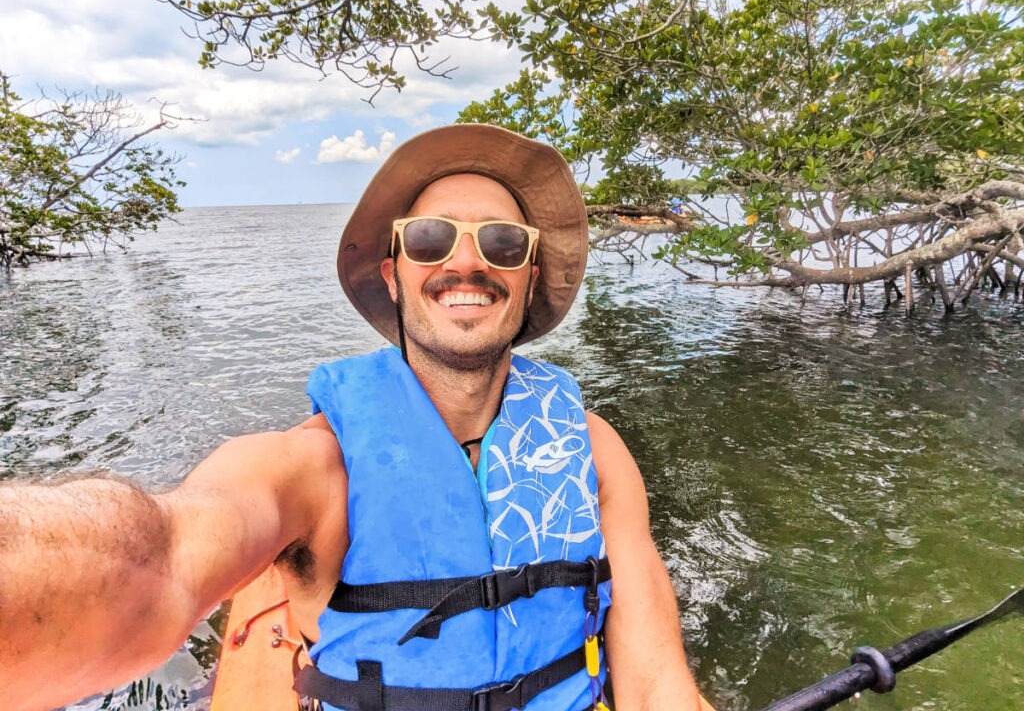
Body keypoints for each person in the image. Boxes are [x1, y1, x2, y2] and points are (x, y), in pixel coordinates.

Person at [0, 124, 709, 711]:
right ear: (393, 272)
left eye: (502, 244)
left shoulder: (593, 448)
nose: (467, 262)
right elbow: (161, 558)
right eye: (431, 239)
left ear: (528, 279)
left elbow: (653, 684)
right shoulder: (316, 466)